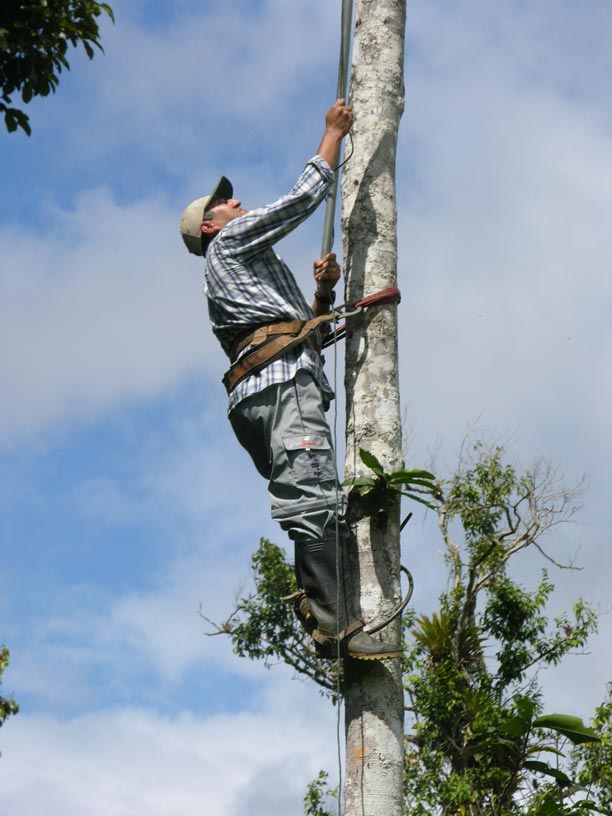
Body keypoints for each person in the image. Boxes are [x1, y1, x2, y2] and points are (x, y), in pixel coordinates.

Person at [179, 100, 400, 661]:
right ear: (210, 227)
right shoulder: (229, 244)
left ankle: (330, 613)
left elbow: (300, 335)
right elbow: (303, 199)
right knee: (312, 498)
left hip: (270, 384)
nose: (235, 201)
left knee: (316, 494)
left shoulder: (250, 273)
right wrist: (331, 135)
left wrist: (322, 297)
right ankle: (334, 625)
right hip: (277, 387)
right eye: (224, 203)